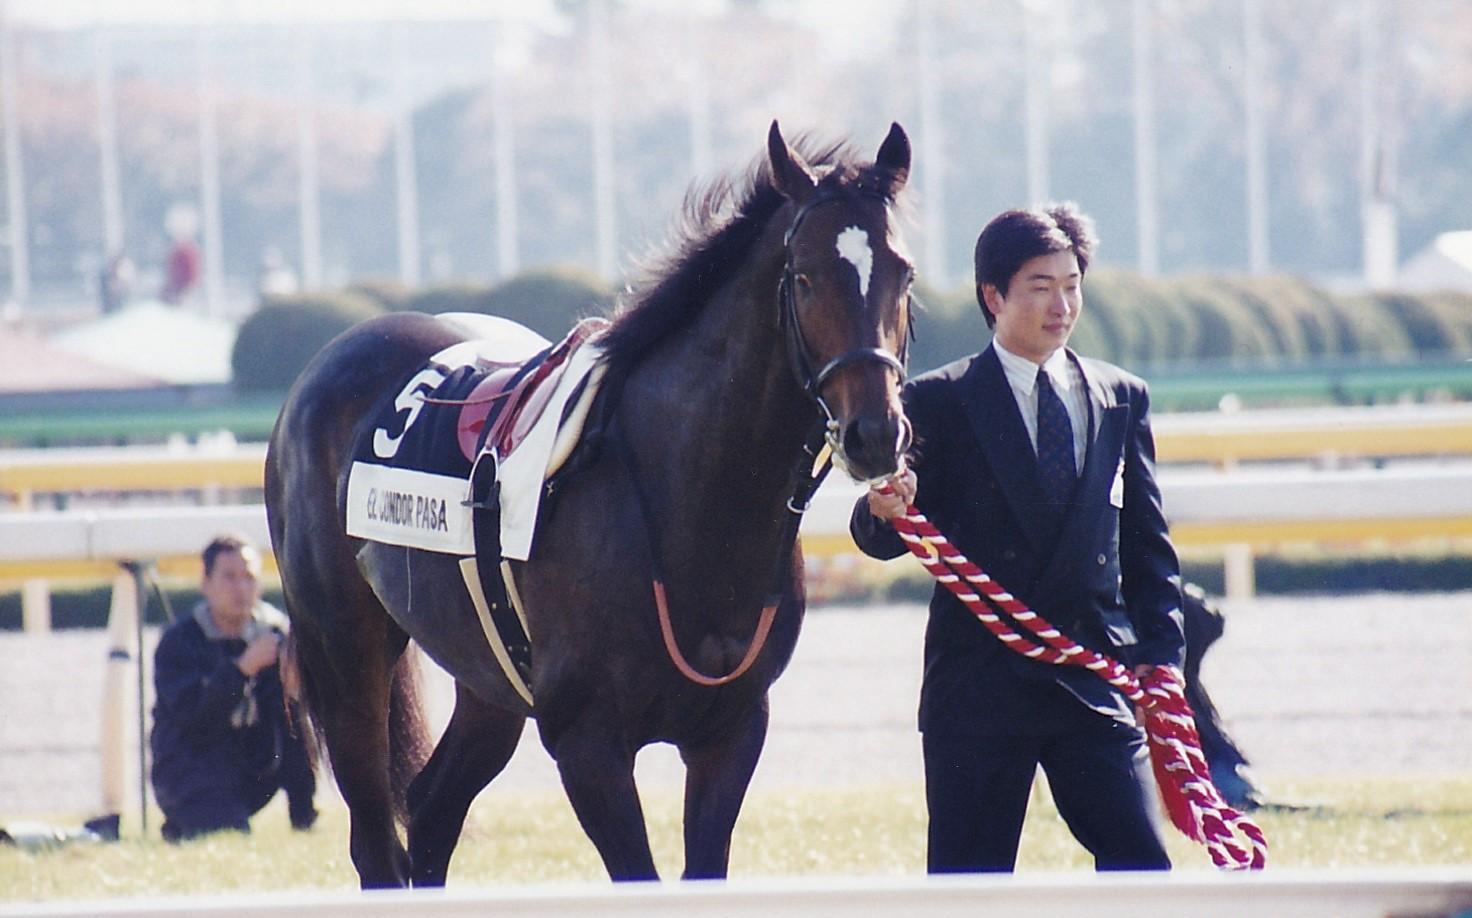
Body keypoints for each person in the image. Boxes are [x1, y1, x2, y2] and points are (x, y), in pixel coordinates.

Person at [850, 203, 1186, 873]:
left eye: (1071, 285)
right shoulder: (936, 402)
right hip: (978, 690)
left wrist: (1163, 657)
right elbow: (881, 532)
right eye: (1041, 286)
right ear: (993, 294)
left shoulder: (1122, 398)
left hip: (1092, 679)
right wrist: (883, 508)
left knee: (1144, 872)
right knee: (968, 888)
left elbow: (1148, 545)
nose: (1061, 304)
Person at [150, 535, 317, 842]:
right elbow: (194, 720)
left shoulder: (274, 633)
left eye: (249, 578)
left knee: (296, 720)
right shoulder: (179, 642)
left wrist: (297, 683)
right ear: (205, 583)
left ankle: (304, 819)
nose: (240, 589)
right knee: (225, 834)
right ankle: (188, 820)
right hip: (191, 769)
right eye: (229, 578)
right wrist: (242, 668)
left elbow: (295, 723)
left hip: (250, 767)